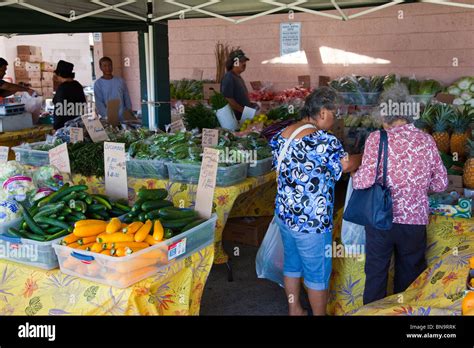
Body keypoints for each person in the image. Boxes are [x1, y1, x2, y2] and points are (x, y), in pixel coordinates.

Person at [352, 83, 448, 305]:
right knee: (409, 275)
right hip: (414, 222)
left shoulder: (377, 139)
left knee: (376, 274)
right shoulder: (426, 140)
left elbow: (363, 181)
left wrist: (355, 176)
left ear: (385, 115)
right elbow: (441, 183)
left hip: (380, 219)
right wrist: (416, 187)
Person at [270, 87, 361, 316]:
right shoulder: (323, 141)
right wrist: (365, 154)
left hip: (285, 214)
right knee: (317, 275)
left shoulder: (284, 134)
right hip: (312, 222)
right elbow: (346, 165)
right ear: (322, 112)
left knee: (292, 265)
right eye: (334, 113)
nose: (335, 119)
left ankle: (295, 308)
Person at [220, 49, 256, 120]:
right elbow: (228, 99)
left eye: (245, 61)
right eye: (241, 61)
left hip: (243, 118)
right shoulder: (229, 77)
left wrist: (251, 105)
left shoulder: (237, 77)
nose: (244, 64)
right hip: (235, 119)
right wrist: (244, 111)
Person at [94, 57, 133, 122]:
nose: (108, 68)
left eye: (109, 65)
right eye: (105, 66)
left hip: (123, 117)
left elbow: (126, 98)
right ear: (100, 68)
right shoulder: (98, 84)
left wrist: (129, 114)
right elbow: (99, 103)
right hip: (109, 118)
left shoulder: (120, 81)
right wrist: (108, 116)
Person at [52, 60, 87, 130]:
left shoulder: (62, 88)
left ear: (59, 74)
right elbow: (83, 104)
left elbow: (59, 110)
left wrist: (55, 127)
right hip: (78, 125)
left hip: (65, 127)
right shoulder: (78, 85)